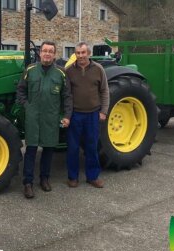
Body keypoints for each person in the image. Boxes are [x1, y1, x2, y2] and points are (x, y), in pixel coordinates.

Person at [16, 41, 72, 199]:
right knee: (31, 149)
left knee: (48, 149)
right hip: (33, 116)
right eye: (45, 51)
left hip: (51, 116)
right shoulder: (30, 70)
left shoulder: (61, 73)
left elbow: (67, 97)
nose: (47, 54)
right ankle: (28, 183)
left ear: (54, 54)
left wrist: (67, 116)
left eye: (51, 51)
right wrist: (27, 106)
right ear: (40, 53)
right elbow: (21, 90)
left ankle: (45, 179)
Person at [64, 42, 109, 188]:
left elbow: (104, 91)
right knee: (73, 147)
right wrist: (67, 115)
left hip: (93, 115)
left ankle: (93, 177)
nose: (81, 56)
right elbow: (67, 95)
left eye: (83, 52)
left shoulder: (98, 69)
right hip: (76, 114)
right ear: (75, 54)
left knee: (92, 146)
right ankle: (73, 177)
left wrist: (103, 111)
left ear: (88, 53)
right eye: (78, 53)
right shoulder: (69, 71)